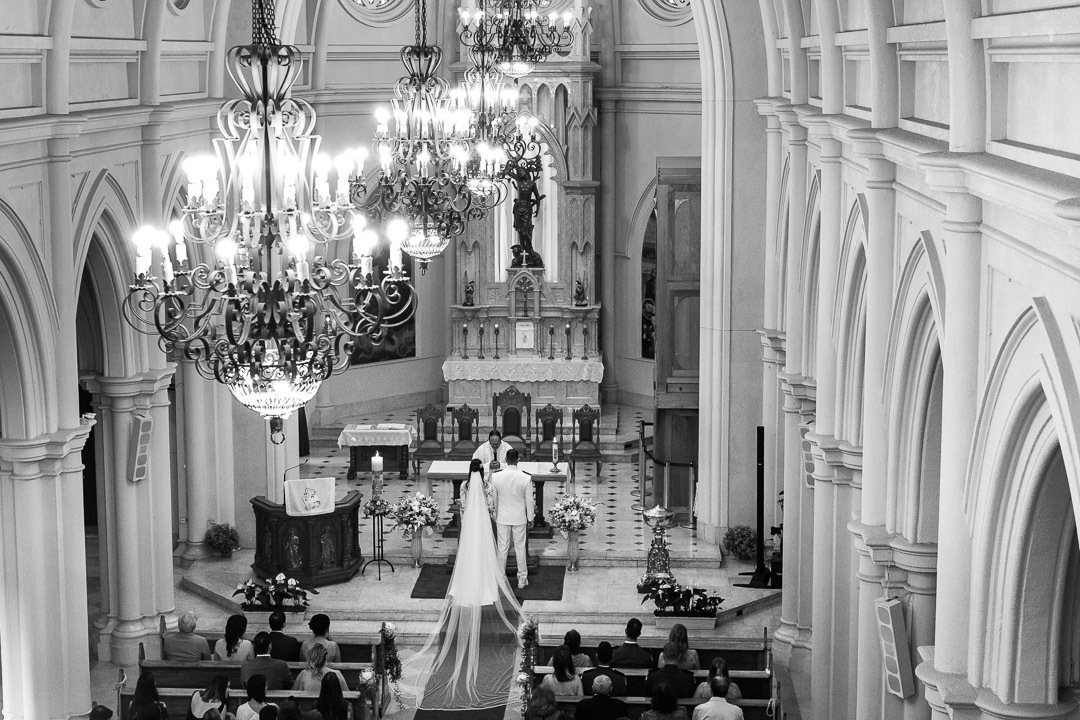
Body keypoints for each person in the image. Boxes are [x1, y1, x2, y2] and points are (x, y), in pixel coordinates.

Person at [396, 448, 524, 711]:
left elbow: (462, 507)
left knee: (468, 558)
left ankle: (466, 586)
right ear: (482, 471)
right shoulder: (487, 486)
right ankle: (487, 587)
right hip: (484, 528)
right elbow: (490, 508)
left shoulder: (465, 486)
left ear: (469, 472)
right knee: (487, 556)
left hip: (468, 528)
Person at [490, 447, 533, 588]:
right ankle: (522, 579)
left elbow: (494, 499)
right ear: (518, 460)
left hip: (502, 516)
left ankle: (500, 579)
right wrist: (530, 518)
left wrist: (494, 515)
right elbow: (529, 501)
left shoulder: (496, 476)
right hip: (519, 516)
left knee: (502, 548)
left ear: (505, 460)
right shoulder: (526, 477)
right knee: (520, 548)